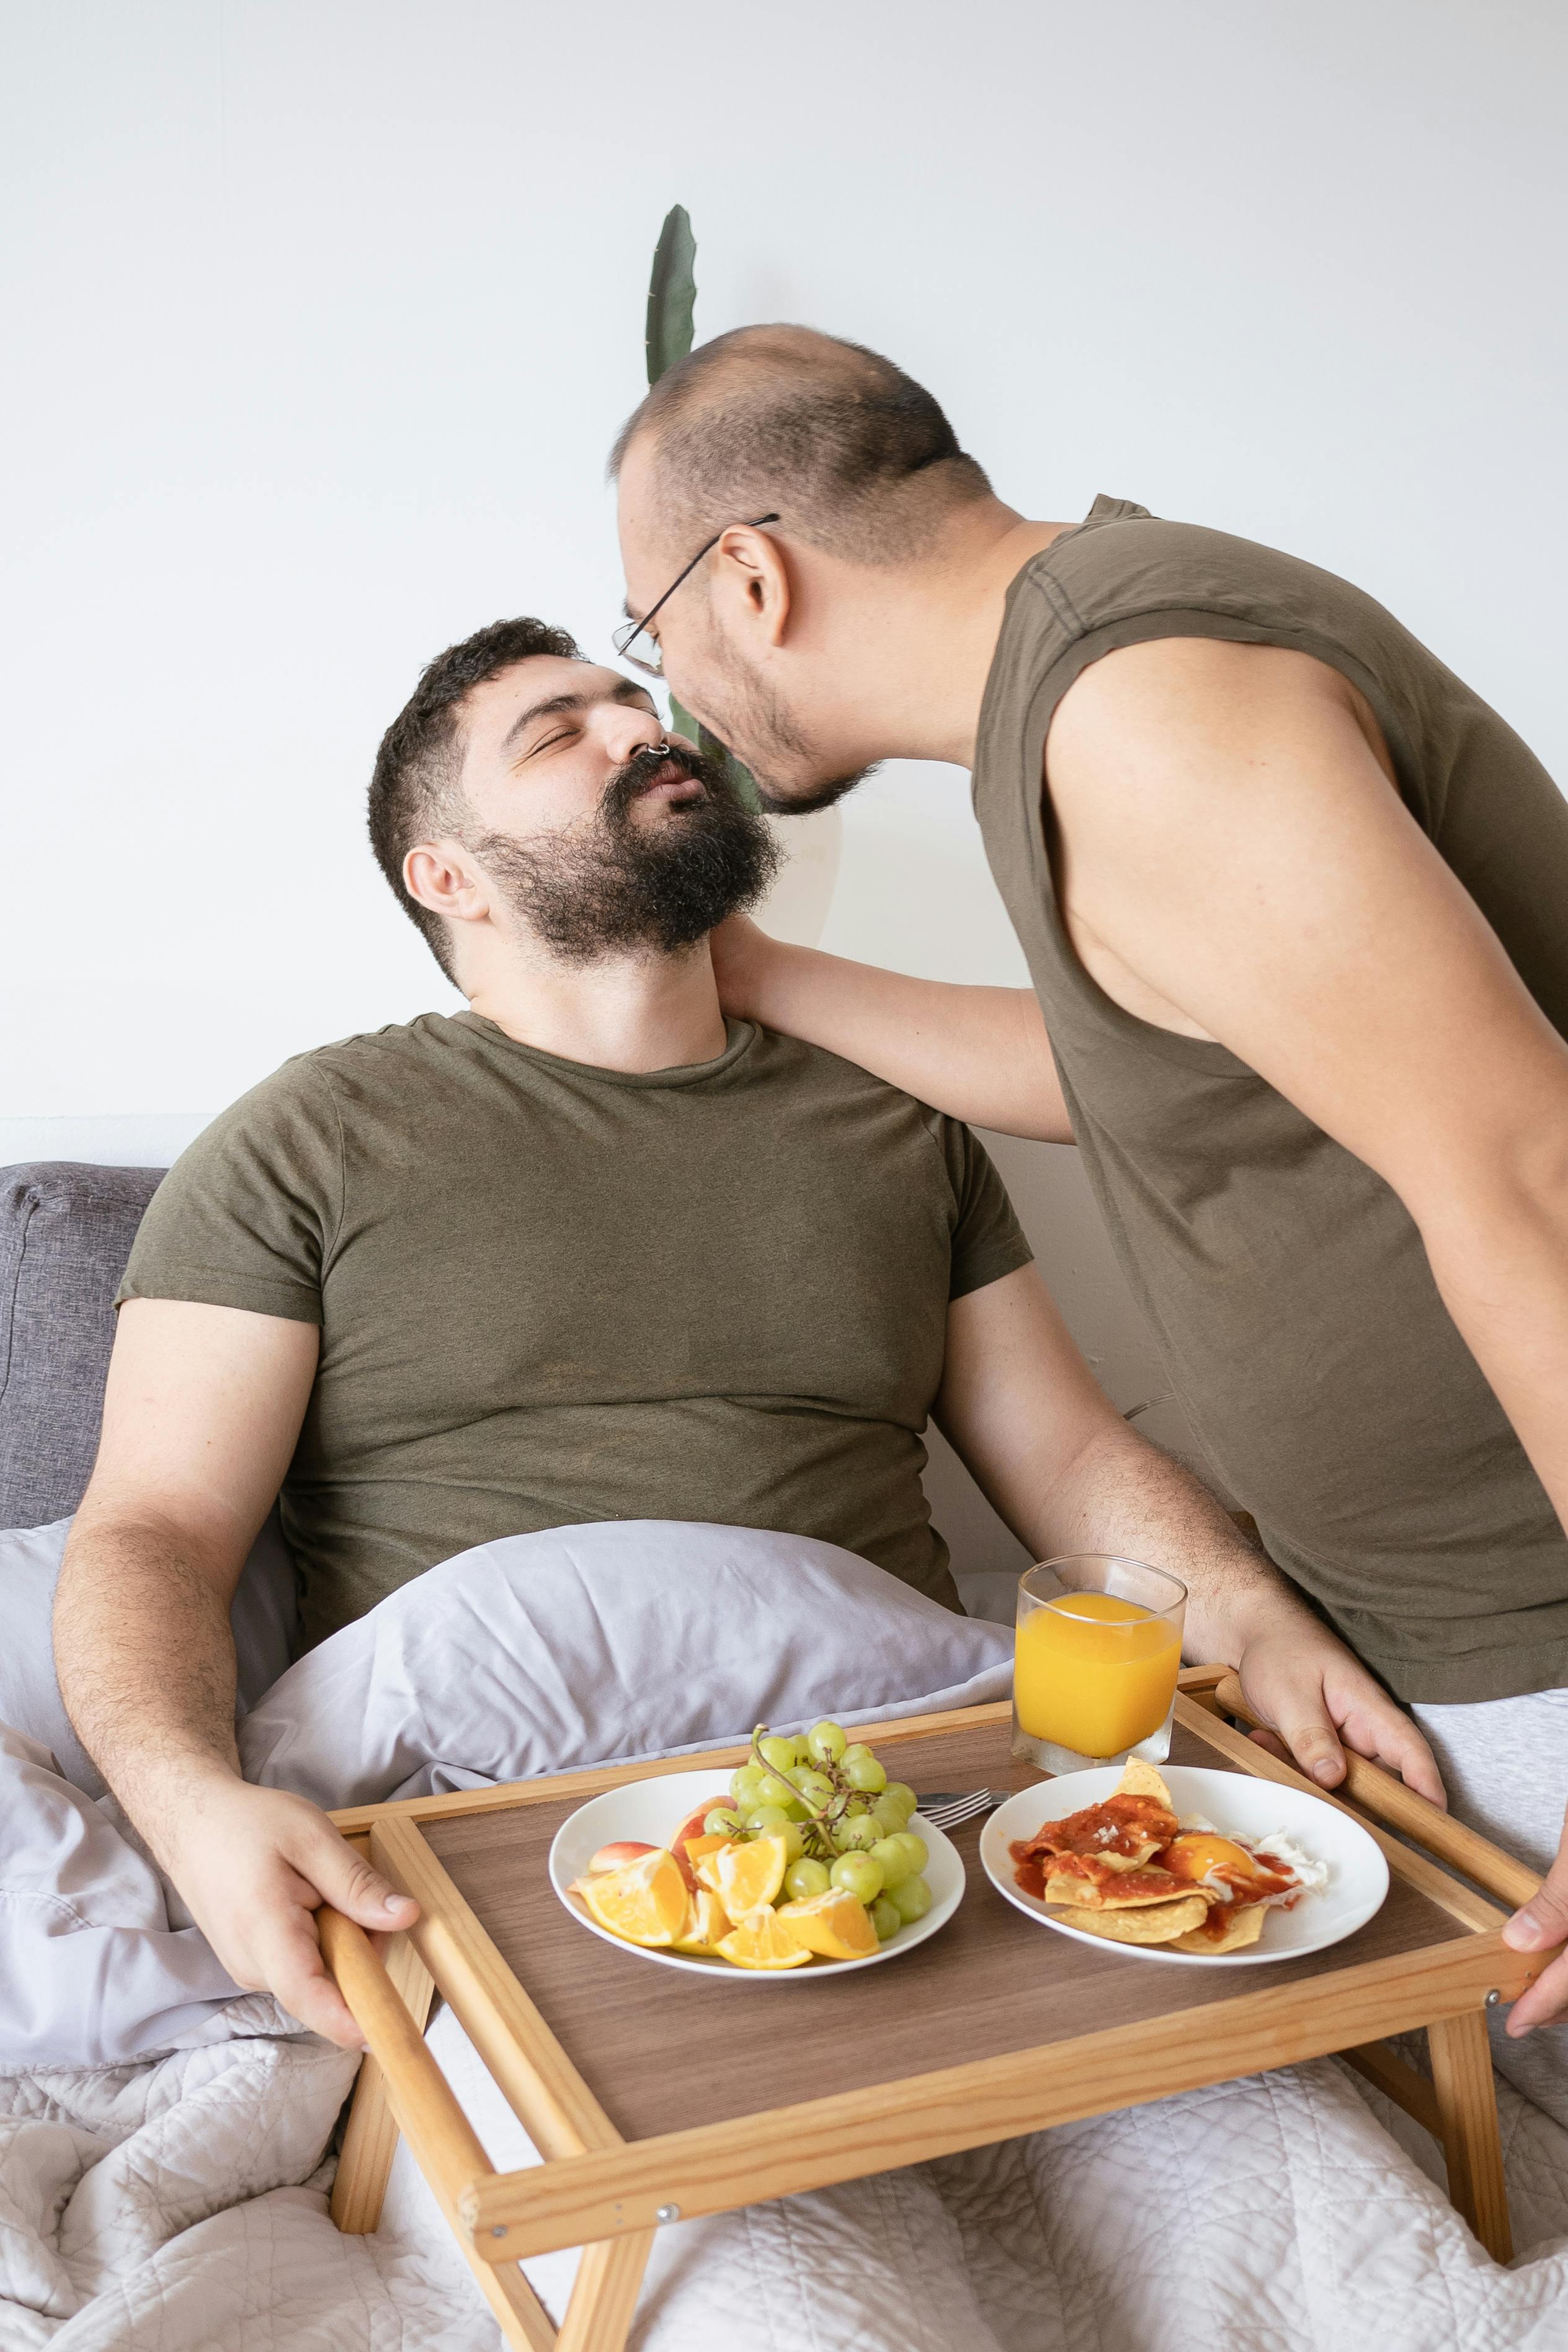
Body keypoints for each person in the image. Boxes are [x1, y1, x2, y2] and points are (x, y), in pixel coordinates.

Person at [53, 615, 1433, 2051]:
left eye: (632, 700)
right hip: (507, 1816)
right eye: (558, 731)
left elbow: (1072, 1456)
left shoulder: (895, 1118)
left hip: (890, 1782)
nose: (636, 727)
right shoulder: (308, 1138)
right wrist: (190, 1803)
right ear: (445, 877)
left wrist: (1248, 1609)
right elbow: (152, 1530)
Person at [610, 327, 1568, 2077]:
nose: (670, 694)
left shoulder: (1140, 707)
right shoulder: (1082, 686)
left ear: (747, 578)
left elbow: (1531, 1175)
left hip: (1543, 1612)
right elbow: (1159, 1058)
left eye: (649, 634)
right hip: (1448, 1618)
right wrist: (756, 971)